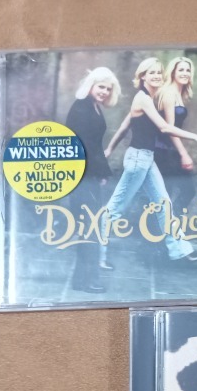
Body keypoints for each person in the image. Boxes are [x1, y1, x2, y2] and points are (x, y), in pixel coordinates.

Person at [101, 57, 197, 269]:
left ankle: (180, 250)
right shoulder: (142, 98)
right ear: (142, 76)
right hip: (137, 159)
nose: (156, 76)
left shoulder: (150, 98)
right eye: (151, 73)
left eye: (158, 73)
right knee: (115, 207)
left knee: (164, 205)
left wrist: (110, 148)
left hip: (146, 158)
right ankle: (97, 253)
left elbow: (125, 126)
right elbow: (164, 128)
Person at [64, 67, 121, 294]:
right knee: (88, 227)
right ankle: (85, 281)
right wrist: (98, 173)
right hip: (83, 176)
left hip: (90, 175)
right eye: (101, 87)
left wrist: (102, 173)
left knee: (90, 226)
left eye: (108, 89)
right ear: (91, 85)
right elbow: (84, 147)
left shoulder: (93, 106)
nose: (105, 92)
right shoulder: (81, 108)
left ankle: (84, 278)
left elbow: (95, 145)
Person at [154, 57, 197, 213]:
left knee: (184, 191)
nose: (185, 73)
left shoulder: (179, 93)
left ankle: (170, 221)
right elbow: (170, 128)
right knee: (168, 193)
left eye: (188, 70)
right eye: (181, 70)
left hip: (171, 150)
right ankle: (164, 224)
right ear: (173, 72)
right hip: (162, 151)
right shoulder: (169, 93)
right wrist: (184, 154)